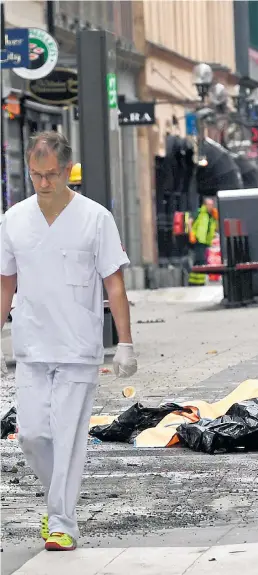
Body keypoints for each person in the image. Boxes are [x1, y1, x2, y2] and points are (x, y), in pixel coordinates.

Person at [0, 131, 137, 551]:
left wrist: (126, 342)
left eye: (52, 175)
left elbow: (114, 284)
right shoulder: (14, 220)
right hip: (31, 345)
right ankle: (56, 503)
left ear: (67, 171)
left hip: (78, 347)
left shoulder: (96, 219)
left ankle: (61, 521)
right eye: (37, 175)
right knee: (32, 435)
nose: (44, 183)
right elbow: (5, 284)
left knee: (68, 436)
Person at [188, 197, 218, 286]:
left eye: (212, 205)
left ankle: (195, 281)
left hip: (206, 241)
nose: (211, 206)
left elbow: (215, 228)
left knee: (199, 262)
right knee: (201, 260)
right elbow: (189, 222)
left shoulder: (212, 215)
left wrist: (216, 218)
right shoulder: (199, 212)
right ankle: (197, 282)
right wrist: (191, 234)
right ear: (205, 205)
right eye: (209, 204)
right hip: (198, 239)